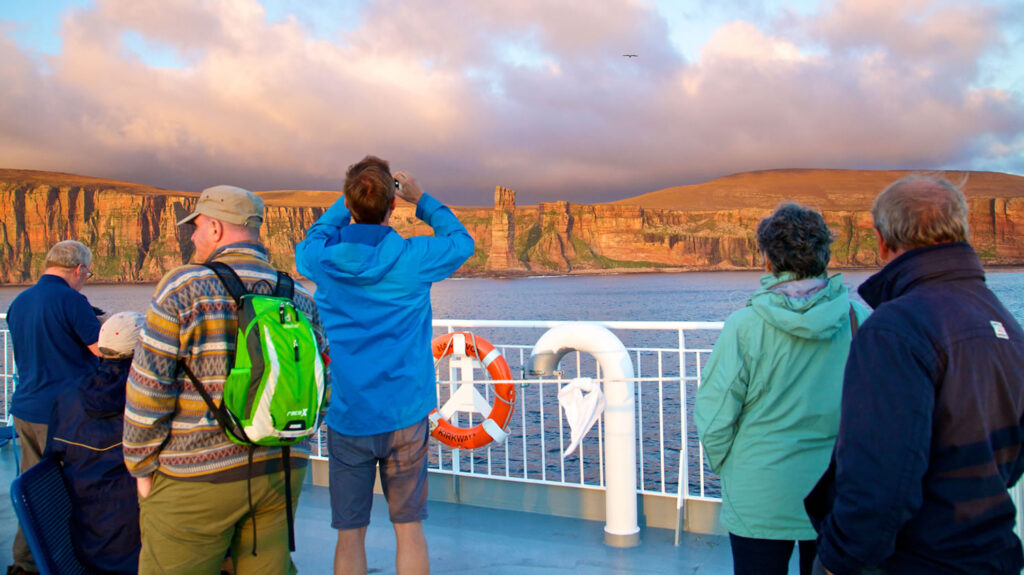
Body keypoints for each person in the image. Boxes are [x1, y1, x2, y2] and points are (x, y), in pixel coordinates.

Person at [808, 175, 1024, 574]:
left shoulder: (895, 329)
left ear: (881, 239)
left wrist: (837, 562)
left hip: (915, 559)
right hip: (993, 552)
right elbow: (1013, 455)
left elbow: (878, 478)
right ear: (961, 229)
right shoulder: (1004, 321)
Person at [123, 185, 329, 575]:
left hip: (196, 478)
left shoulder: (183, 287)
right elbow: (324, 389)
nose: (194, 237)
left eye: (197, 227)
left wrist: (140, 467)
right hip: (280, 471)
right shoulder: (300, 296)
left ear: (216, 229)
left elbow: (148, 388)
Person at [295, 156, 473, 575]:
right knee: (409, 528)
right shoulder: (414, 258)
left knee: (349, 534)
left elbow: (314, 237)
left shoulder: (322, 261)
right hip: (404, 416)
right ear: (394, 206)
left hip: (348, 414)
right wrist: (421, 199)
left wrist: (351, 201)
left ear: (351, 204)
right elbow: (461, 242)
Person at [695, 203, 869, 575]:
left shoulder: (745, 325)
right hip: (835, 490)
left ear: (768, 260)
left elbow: (714, 412)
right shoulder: (860, 320)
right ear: (825, 253)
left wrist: (727, 465)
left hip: (759, 488)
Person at [6, 239, 102, 575]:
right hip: (63, 416)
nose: (85, 279)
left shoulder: (19, 303)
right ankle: (76, 561)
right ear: (78, 269)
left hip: (25, 411)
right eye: (87, 273)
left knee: (32, 490)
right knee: (75, 490)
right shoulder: (72, 300)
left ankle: (25, 565)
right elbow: (101, 349)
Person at [45, 311, 145, 574]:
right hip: (140, 544)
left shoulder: (67, 397)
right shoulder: (147, 399)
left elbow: (51, 457)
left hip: (88, 539)